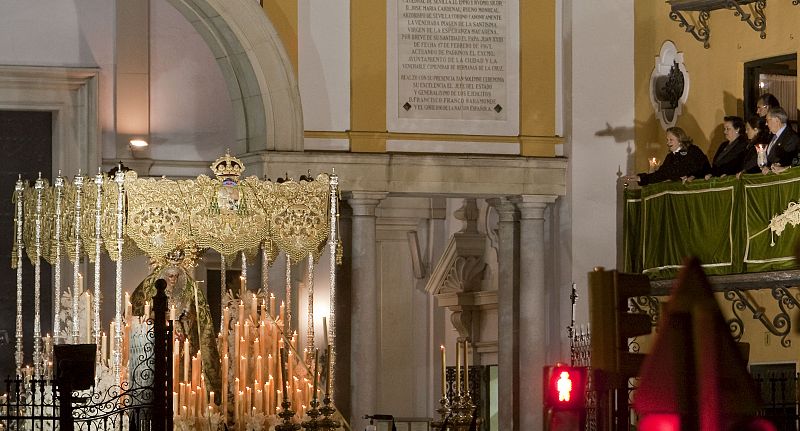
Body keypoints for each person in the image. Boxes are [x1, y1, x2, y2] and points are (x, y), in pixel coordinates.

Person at [130, 261, 222, 403]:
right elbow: (144, 315)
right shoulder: (152, 294)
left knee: (181, 366)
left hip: (179, 337)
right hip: (159, 334)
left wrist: (187, 317)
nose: (173, 279)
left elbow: (193, 320)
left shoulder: (184, 295)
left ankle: (182, 399)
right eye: (171, 276)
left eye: (176, 276)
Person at [625, 126, 710, 186]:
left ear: (680, 140)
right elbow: (660, 175)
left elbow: (704, 168)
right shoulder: (670, 157)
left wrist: (692, 176)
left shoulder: (693, 150)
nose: (667, 143)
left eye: (671, 140)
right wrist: (640, 178)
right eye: (667, 140)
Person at [759, 107, 800, 174]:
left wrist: (770, 168)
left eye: (767, 120)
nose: (766, 124)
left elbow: (787, 160)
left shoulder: (791, 137)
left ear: (777, 120)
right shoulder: (771, 135)